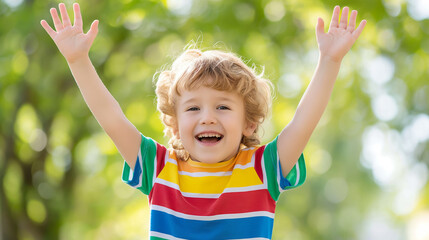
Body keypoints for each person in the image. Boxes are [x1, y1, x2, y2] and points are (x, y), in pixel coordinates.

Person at [41, 3, 366, 239]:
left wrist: (330, 61)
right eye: (193, 109)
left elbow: (302, 124)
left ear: (249, 124)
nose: (207, 118)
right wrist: (79, 60)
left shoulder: (262, 169)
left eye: (223, 108)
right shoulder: (159, 168)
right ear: (175, 124)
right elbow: (112, 119)